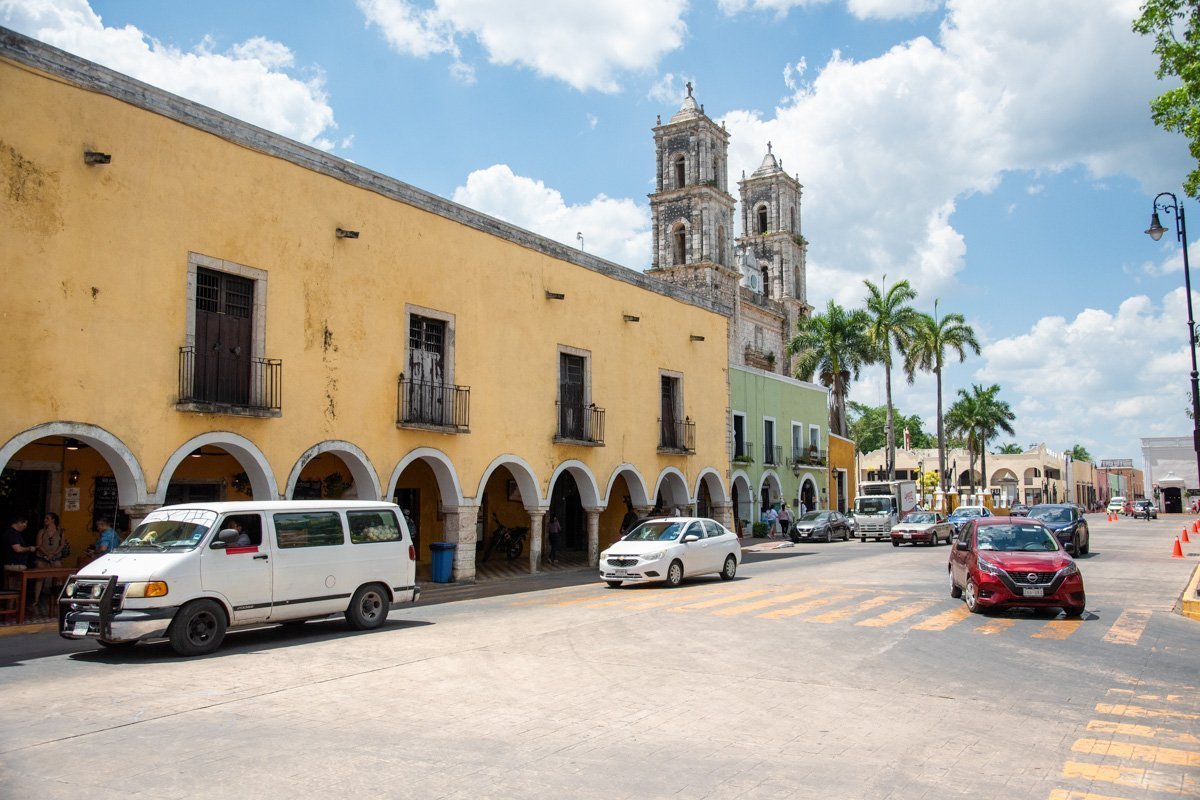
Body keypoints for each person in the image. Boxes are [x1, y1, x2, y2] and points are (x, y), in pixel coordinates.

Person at [3, 515, 34, 589]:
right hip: (14, 566)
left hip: (15, 565)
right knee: (14, 590)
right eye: (25, 524)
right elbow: (17, 549)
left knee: (16, 590)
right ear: (19, 522)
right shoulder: (12, 533)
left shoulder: (14, 533)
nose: (25, 527)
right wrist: (29, 548)